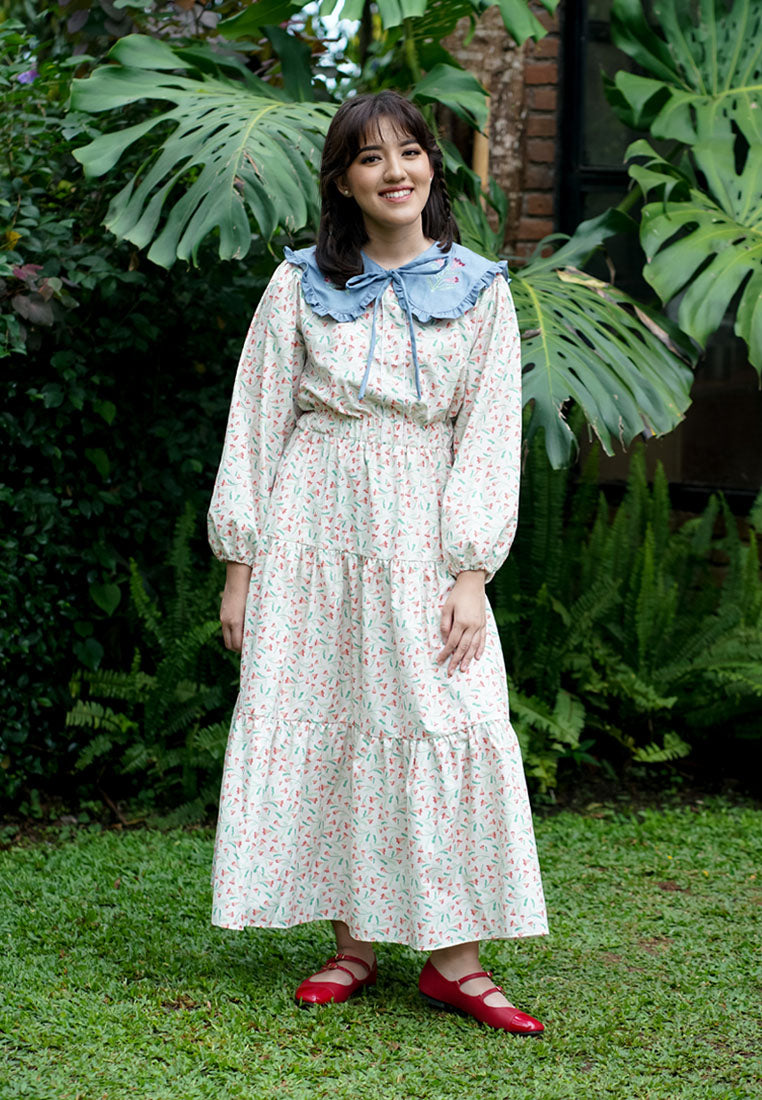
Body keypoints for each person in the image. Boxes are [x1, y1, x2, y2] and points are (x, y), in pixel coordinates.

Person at [207, 90, 549, 1034]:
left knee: (441, 715)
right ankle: (352, 944)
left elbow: (490, 436)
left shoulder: (480, 289)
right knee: (333, 717)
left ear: (432, 166)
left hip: (423, 537)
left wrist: (471, 571)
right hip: (309, 533)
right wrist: (240, 566)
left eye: (410, 152)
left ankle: (456, 964)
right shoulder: (297, 285)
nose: (395, 171)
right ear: (343, 182)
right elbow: (255, 423)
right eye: (370, 157)